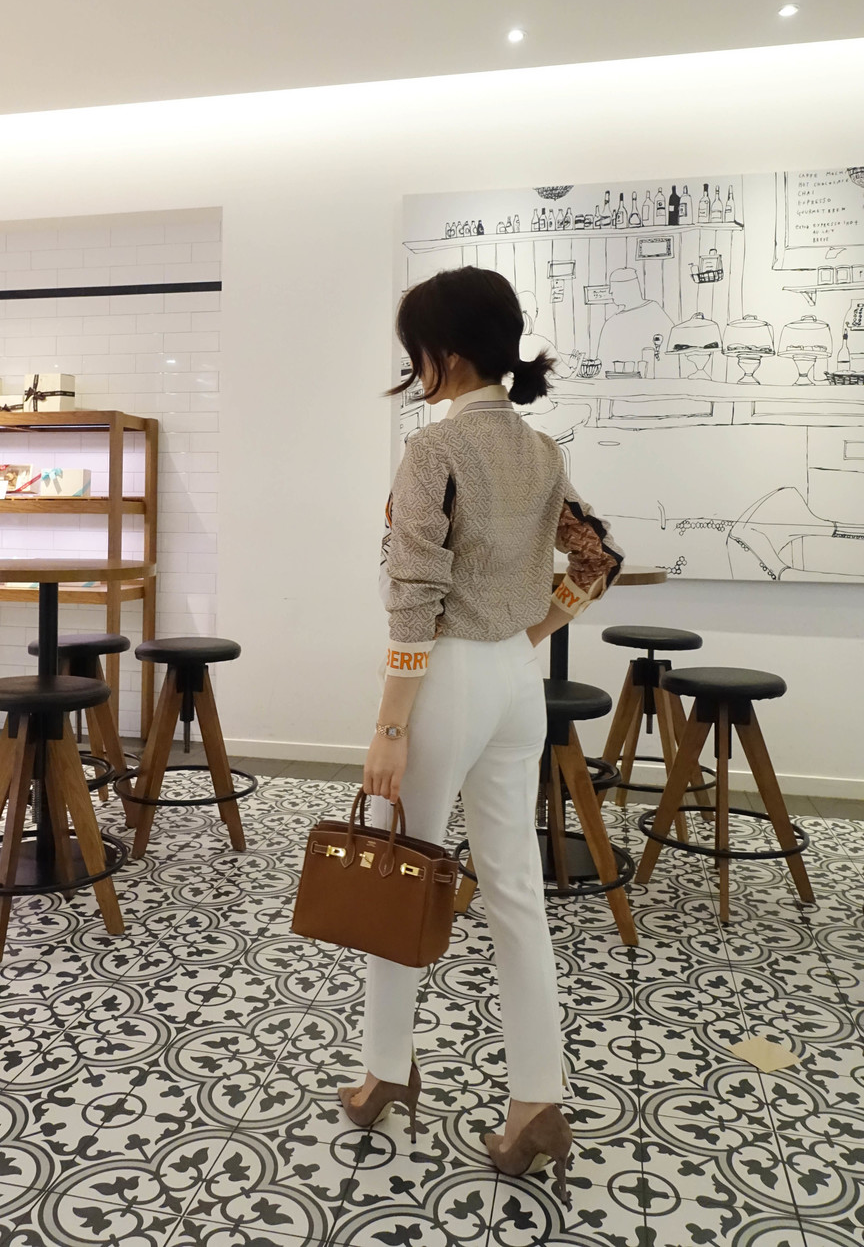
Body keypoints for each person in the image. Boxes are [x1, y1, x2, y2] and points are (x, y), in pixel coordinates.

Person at [339, 265, 623, 1199]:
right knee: (515, 891)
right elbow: (599, 556)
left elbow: (414, 595)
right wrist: (534, 632)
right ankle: (537, 1100)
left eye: (417, 349)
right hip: (513, 679)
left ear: (446, 352)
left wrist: (390, 725)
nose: (413, 366)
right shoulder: (540, 450)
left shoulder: (435, 449)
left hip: (446, 679)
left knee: (400, 877)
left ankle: (386, 1070)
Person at [596, 267, 672, 371]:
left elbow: (672, 344)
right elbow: (603, 360)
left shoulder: (654, 309)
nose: (610, 292)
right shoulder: (611, 322)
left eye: (614, 287)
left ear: (627, 289)